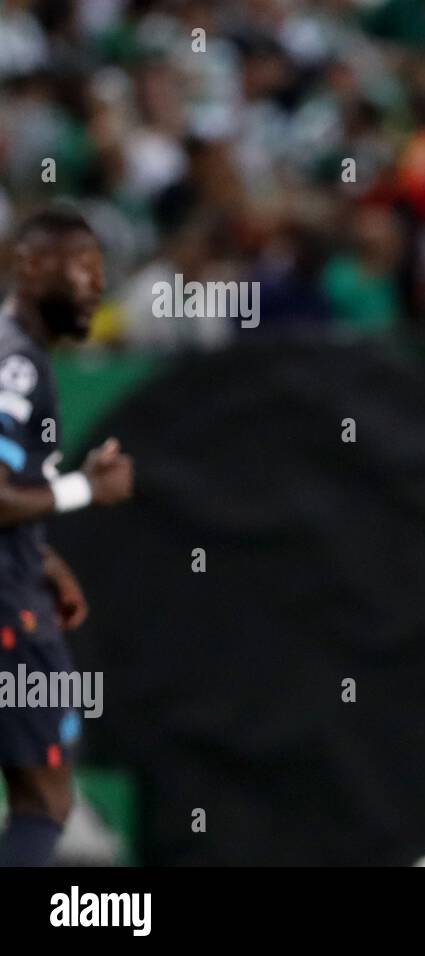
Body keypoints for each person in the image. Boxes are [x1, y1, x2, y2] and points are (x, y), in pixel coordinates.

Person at [0, 206, 135, 866]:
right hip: (6, 609)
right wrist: (88, 489)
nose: (95, 284)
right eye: (80, 265)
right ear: (28, 266)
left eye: (100, 270)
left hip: (20, 583)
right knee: (44, 797)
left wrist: (45, 559)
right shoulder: (16, 365)